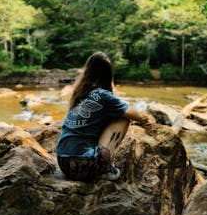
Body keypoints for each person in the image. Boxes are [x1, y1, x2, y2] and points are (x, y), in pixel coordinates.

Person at [55, 51, 151, 182]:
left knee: (111, 115)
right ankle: (106, 167)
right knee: (123, 118)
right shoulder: (104, 95)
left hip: (63, 163)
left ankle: (97, 160)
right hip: (83, 167)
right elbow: (135, 115)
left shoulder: (79, 92)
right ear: (108, 73)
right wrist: (145, 119)